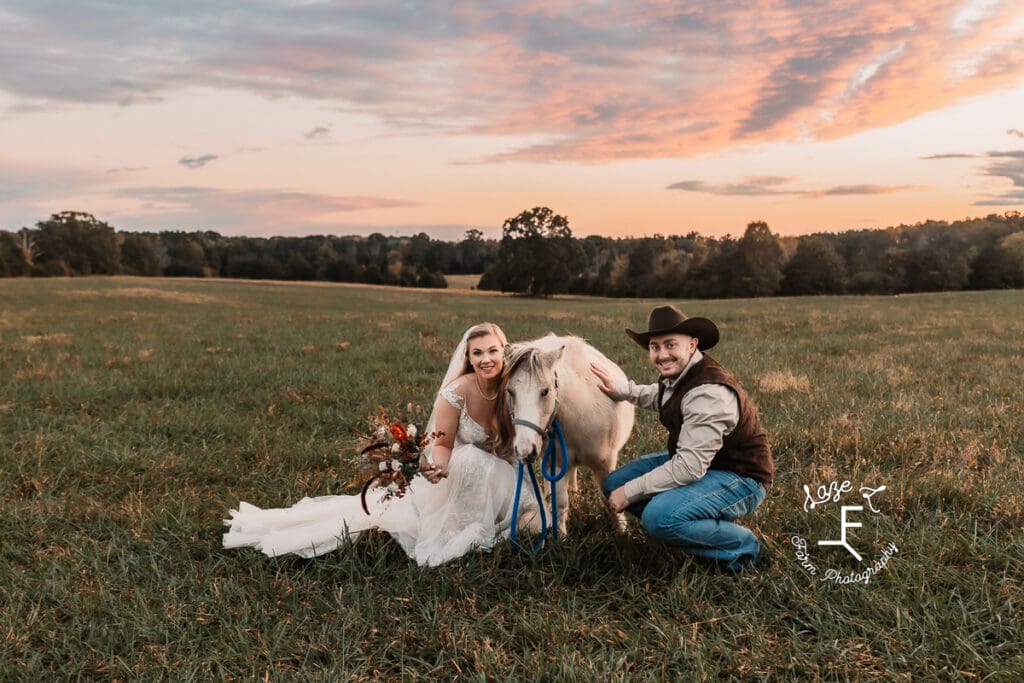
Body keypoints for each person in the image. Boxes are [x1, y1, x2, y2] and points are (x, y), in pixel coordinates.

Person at [223, 322, 534, 567]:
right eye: (477, 353)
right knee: (469, 458)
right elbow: (443, 444)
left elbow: (550, 387)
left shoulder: (517, 385)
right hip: (461, 475)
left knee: (530, 517)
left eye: (492, 351)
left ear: (504, 350)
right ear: (468, 357)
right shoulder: (456, 392)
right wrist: (437, 465)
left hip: (503, 474)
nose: (486, 359)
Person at [590, 305, 774, 571]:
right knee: (614, 482)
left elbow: (689, 467)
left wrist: (631, 492)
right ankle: (690, 526)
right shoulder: (681, 375)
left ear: (692, 345)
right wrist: (623, 391)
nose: (662, 354)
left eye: (670, 345)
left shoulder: (708, 393)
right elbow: (661, 396)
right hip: (703, 464)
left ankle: (742, 546)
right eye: (655, 347)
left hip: (739, 476)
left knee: (658, 517)